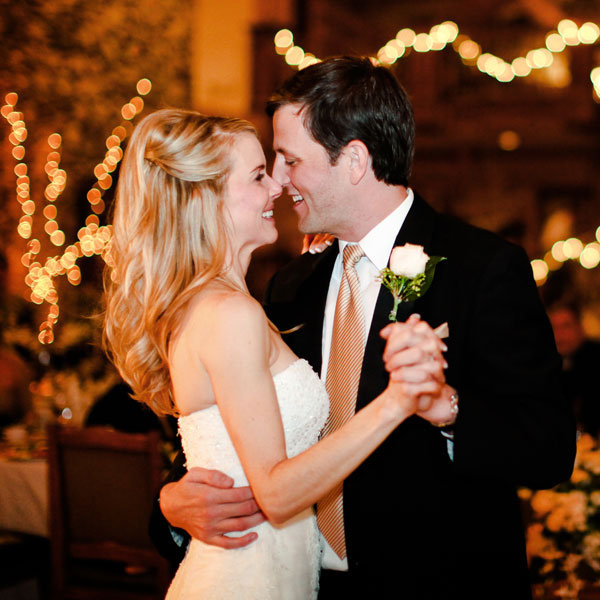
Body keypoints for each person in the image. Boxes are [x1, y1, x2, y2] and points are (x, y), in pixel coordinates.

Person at [151, 57, 576, 600]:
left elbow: (549, 449)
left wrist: (448, 409)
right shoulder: (290, 284)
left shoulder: (482, 268)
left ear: (353, 159)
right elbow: (228, 429)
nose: (279, 183)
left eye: (289, 160)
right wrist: (171, 505)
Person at [103, 108, 446, 599]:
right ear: (206, 197)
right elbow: (277, 494)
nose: (277, 188)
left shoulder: (228, 303)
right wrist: (399, 400)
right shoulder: (228, 314)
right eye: (260, 175)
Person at [548, 303, 600, 437]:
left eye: (566, 326)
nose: (559, 334)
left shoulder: (595, 358)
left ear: (580, 327)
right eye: (553, 327)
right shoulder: (545, 364)